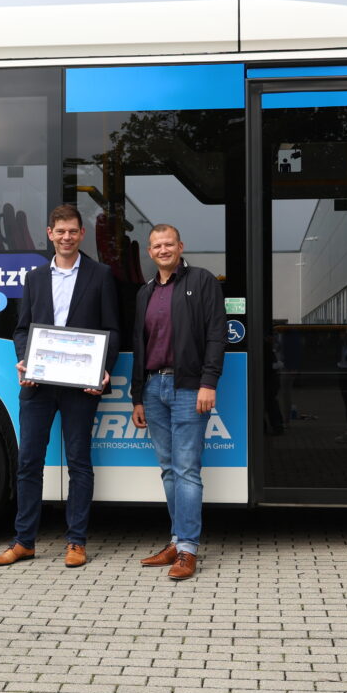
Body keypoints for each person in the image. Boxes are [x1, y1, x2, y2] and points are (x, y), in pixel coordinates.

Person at [0, 204, 119, 569]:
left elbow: (112, 329)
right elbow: (22, 328)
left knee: (79, 463)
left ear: (81, 234)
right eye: (59, 231)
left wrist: (103, 370)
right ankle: (24, 541)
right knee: (29, 463)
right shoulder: (33, 278)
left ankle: (76, 542)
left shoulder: (100, 275)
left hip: (82, 388)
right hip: (38, 385)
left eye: (72, 231)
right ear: (50, 234)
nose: (66, 237)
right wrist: (24, 359)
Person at [130, 224, 226, 581]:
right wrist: (137, 396)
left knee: (186, 469)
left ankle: (187, 549)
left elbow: (217, 335)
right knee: (169, 468)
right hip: (153, 389)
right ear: (150, 252)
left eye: (169, 243)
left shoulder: (202, 281)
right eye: (157, 245)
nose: (163, 249)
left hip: (189, 388)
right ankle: (175, 540)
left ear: (180, 246)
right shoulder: (145, 292)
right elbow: (140, 347)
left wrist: (208, 382)